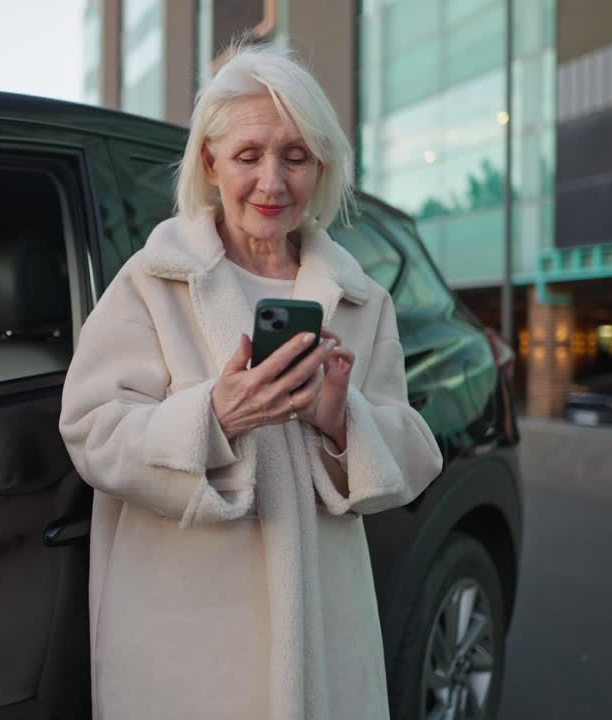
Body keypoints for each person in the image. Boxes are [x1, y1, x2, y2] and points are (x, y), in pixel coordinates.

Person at [58, 44, 444, 720]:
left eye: (295, 156)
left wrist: (341, 420)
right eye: (248, 156)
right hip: (185, 646)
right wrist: (213, 417)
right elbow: (92, 430)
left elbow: (414, 452)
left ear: (319, 165)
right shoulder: (154, 283)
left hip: (324, 648)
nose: (273, 181)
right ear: (210, 161)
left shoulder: (361, 299)